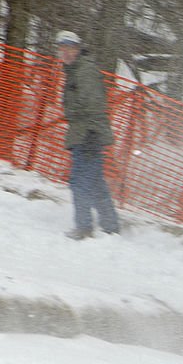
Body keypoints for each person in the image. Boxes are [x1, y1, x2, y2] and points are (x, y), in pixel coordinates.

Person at [55, 30, 120, 240]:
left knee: (79, 181)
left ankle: (83, 227)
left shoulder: (84, 71)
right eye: (61, 49)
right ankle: (110, 224)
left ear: (77, 49)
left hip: (88, 133)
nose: (65, 53)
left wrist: (75, 115)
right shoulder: (74, 70)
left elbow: (93, 103)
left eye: (69, 48)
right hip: (85, 132)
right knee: (94, 181)